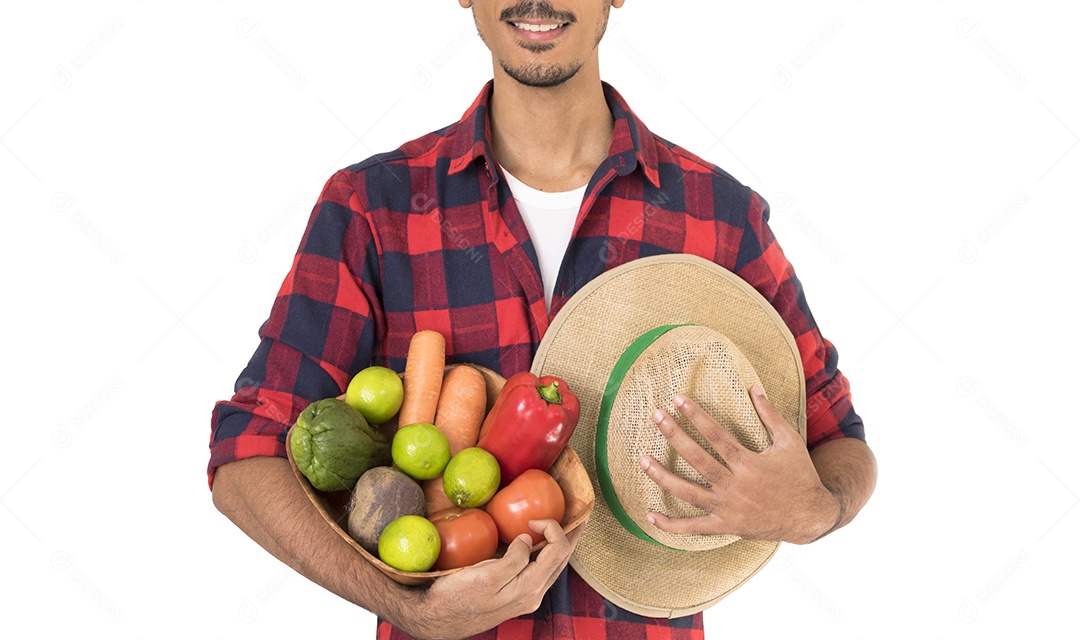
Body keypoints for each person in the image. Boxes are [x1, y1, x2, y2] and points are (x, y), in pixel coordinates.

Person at [209, 1, 878, 639]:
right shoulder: (373, 209)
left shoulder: (719, 216)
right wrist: (400, 605)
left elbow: (837, 438)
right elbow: (247, 454)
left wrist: (817, 510)